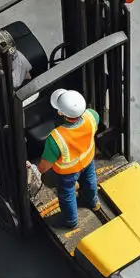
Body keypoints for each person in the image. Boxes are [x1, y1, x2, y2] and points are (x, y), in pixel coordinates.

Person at [35, 89, 100, 228]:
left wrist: (36, 170)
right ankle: (93, 202)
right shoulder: (92, 116)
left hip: (68, 173)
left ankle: (71, 221)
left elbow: (45, 166)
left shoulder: (56, 138)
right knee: (90, 180)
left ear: (60, 113)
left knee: (67, 193)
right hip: (88, 161)